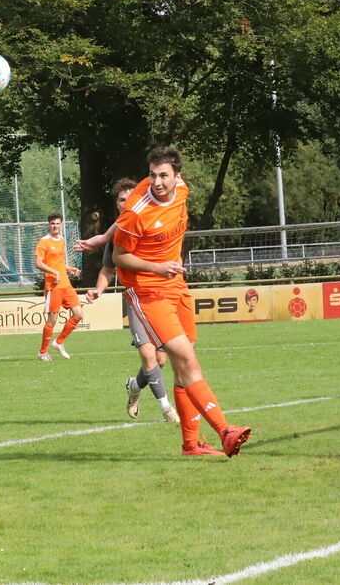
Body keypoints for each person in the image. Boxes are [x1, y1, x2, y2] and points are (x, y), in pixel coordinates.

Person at [112, 146, 251, 457]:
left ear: (178, 176)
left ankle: (191, 445)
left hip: (176, 286)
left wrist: (103, 235)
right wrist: (157, 267)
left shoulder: (182, 190)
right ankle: (225, 431)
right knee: (188, 360)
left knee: (182, 365)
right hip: (148, 291)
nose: (157, 182)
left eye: (164, 176)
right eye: (152, 175)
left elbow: (120, 227)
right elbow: (120, 256)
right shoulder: (137, 210)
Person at [85, 178, 178, 423]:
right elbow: (107, 269)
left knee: (160, 359)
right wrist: (98, 290)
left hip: (159, 296)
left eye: (130, 198)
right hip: (136, 298)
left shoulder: (152, 224)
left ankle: (135, 386)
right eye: (121, 200)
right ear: (117, 204)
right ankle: (167, 409)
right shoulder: (118, 235)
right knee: (148, 355)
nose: (126, 203)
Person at [35, 212, 83, 361]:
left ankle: (59, 342)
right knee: (52, 320)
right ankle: (43, 351)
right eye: (52, 223)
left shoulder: (61, 240)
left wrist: (69, 269)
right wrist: (54, 272)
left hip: (66, 284)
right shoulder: (44, 242)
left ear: (61, 225)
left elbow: (60, 263)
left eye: (57, 223)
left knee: (78, 314)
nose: (55, 226)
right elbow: (38, 263)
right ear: (48, 225)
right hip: (53, 286)